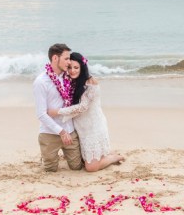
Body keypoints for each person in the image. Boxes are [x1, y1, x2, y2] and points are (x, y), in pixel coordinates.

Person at [49, 51, 124, 172]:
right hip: (81, 129)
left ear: (82, 67)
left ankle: (113, 157)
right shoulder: (70, 82)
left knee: (91, 167)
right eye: (69, 67)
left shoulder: (90, 83)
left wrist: (58, 111)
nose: (72, 70)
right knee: (84, 162)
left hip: (94, 128)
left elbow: (82, 107)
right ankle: (105, 156)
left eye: (76, 67)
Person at [33, 43, 83, 172]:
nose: (69, 62)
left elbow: (83, 74)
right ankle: (47, 155)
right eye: (66, 59)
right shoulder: (41, 82)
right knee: (50, 169)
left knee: (76, 167)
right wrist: (61, 132)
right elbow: (41, 114)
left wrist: (91, 79)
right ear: (55, 58)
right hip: (49, 133)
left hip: (70, 131)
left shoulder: (69, 76)